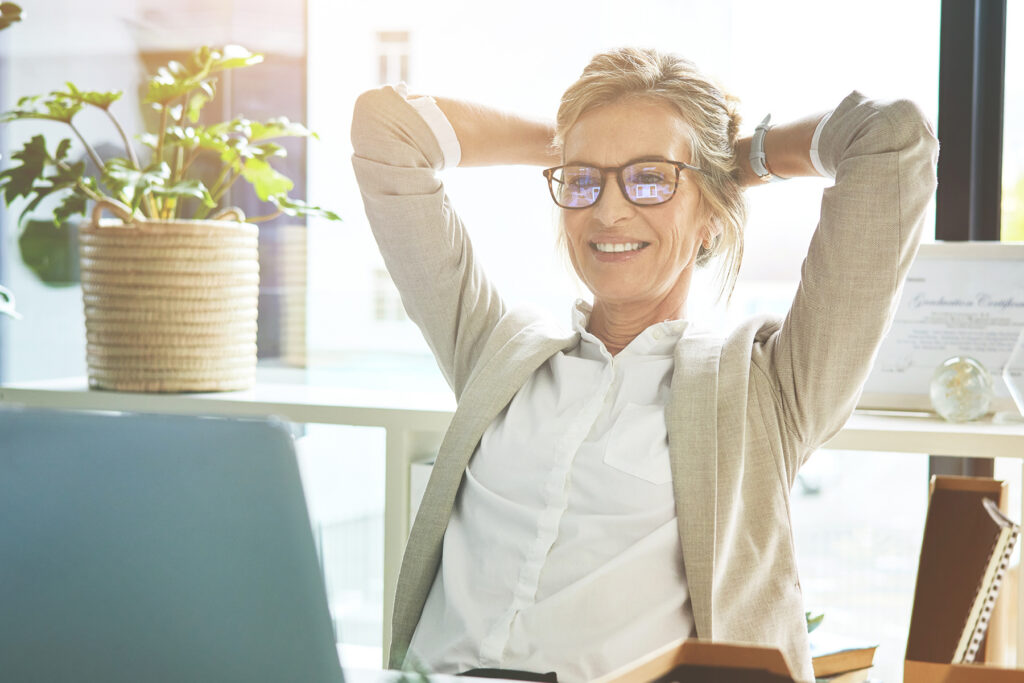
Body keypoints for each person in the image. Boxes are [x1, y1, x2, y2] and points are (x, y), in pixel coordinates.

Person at [351, 47, 938, 683]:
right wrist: (573, 147)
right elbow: (387, 129)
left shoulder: (768, 389)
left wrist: (740, 162)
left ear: (711, 216)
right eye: (584, 183)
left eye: (650, 181)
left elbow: (891, 136)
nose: (608, 212)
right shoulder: (499, 355)